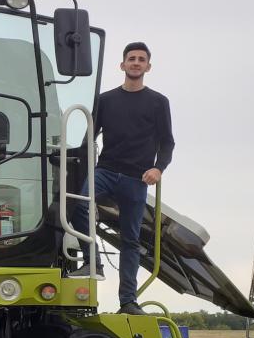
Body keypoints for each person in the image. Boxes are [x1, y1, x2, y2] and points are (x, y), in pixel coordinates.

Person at [69, 42, 175, 314]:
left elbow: (167, 143)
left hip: (136, 178)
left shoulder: (158, 102)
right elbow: (89, 137)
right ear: (122, 65)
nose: (136, 63)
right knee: (78, 204)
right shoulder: (105, 100)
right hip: (105, 170)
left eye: (141, 59)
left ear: (148, 67)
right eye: (131, 58)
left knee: (130, 240)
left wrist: (158, 168)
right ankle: (92, 261)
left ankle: (128, 301)